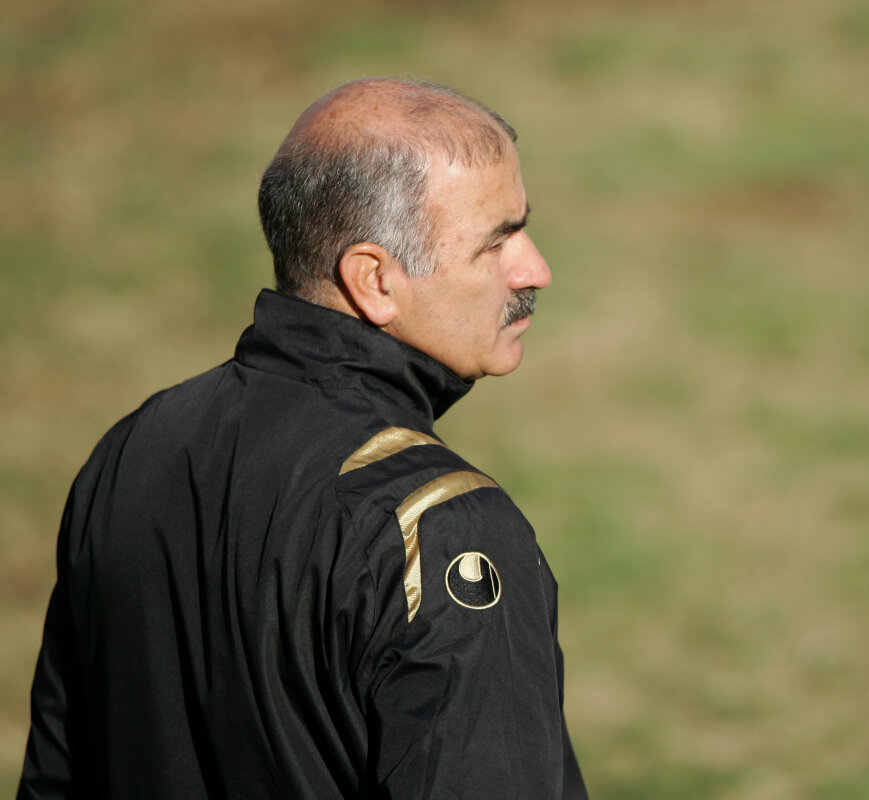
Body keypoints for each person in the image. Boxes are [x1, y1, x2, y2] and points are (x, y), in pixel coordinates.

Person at [19, 78, 588, 799]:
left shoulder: (132, 451)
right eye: (497, 241)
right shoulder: (442, 529)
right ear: (374, 280)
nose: (535, 270)